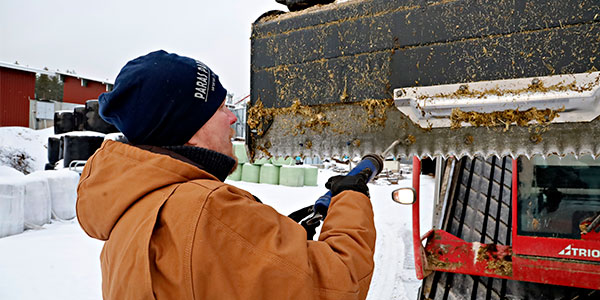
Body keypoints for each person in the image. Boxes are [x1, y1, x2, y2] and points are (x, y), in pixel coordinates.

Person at [76, 50, 376, 300]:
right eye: (220, 108)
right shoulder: (207, 209)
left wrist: (278, 243)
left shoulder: (132, 218)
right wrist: (352, 196)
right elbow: (340, 282)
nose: (233, 117)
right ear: (187, 131)